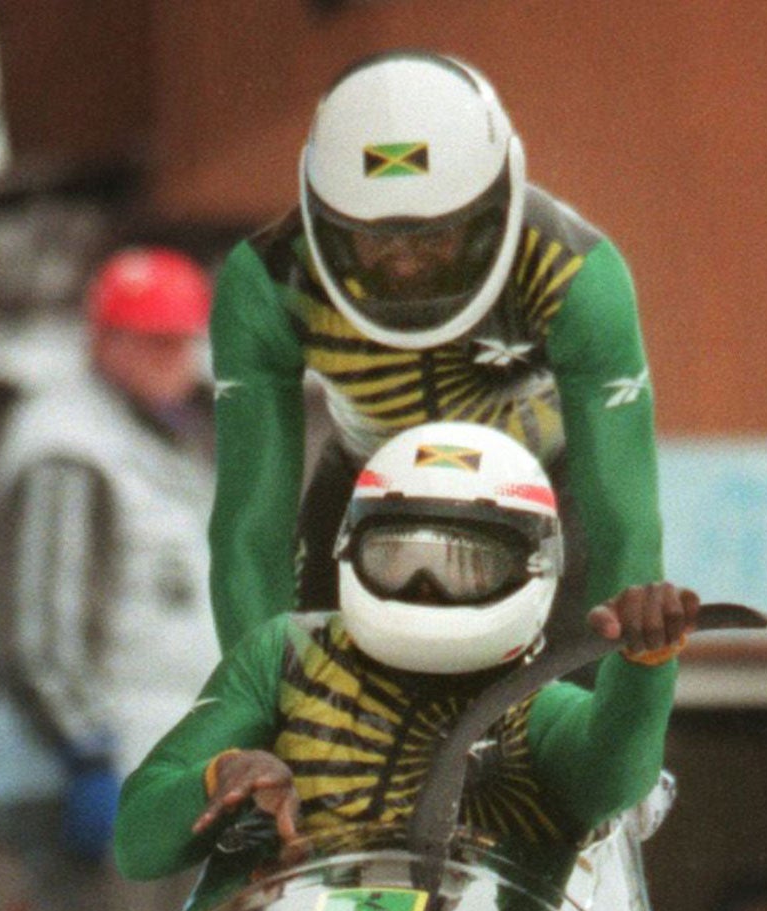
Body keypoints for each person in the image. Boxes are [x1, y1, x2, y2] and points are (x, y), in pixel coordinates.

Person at [205, 50, 663, 657]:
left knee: (567, 719)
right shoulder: (266, 283)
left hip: (546, 497)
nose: (406, 263)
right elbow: (248, 536)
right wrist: (257, 717)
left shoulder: (576, 275)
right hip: (367, 493)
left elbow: (624, 528)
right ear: (323, 221)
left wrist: (624, 693)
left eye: (437, 235)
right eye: (373, 239)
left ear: (496, 206)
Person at [115, 420, 695, 892]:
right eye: (397, 558)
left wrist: (643, 668)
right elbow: (138, 841)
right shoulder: (285, 654)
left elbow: (613, 781)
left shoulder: (535, 706)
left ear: (533, 567)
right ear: (349, 547)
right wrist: (219, 774)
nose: (424, 587)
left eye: (464, 564)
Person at [0, 246, 222, 911]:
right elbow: (42, 629)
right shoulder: (70, 449)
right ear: (102, 340)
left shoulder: (165, 442)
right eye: (144, 341)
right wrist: (86, 752)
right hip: (101, 770)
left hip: (165, 766)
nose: (169, 361)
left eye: (180, 342)